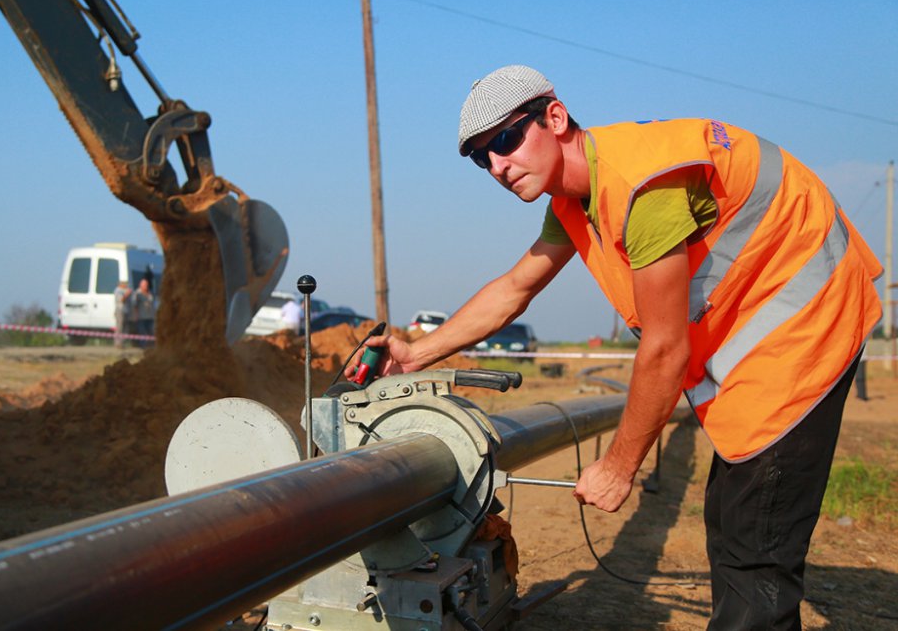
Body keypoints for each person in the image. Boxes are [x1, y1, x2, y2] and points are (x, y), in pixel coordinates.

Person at [353, 65, 882, 629]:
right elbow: (514, 290)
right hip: (768, 339)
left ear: (554, 117)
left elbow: (665, 349)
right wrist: (416, 353)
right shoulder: (574, 200)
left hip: (806, 326)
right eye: (483, 158)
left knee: (757, 551)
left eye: (505, 140)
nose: (499, 166)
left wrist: (620, 465)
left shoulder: (639, 188)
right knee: (731, 520)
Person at [132, 277, 156, 347]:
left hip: (150, 316)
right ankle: (143, 346)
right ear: (140, 285)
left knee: (151, 332)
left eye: (146, 285)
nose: (146, 286)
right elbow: (134, 305)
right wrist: (135, 315)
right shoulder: (137, 293)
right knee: (142, 332)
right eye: (144, 285)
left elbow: (152, 303)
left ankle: (152, 346)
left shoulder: (150, 293)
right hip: (141, 317)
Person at [112, 280, 131, 348]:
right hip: (120, 310)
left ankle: (122, 343)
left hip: (125, 311)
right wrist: (127, 294)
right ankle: (117, 343)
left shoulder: (124, 290)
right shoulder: (118, 290)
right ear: (121, 284)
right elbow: (121, 300)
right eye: (125, 283)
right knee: (119, 327)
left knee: (125, 328)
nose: (126, 285)